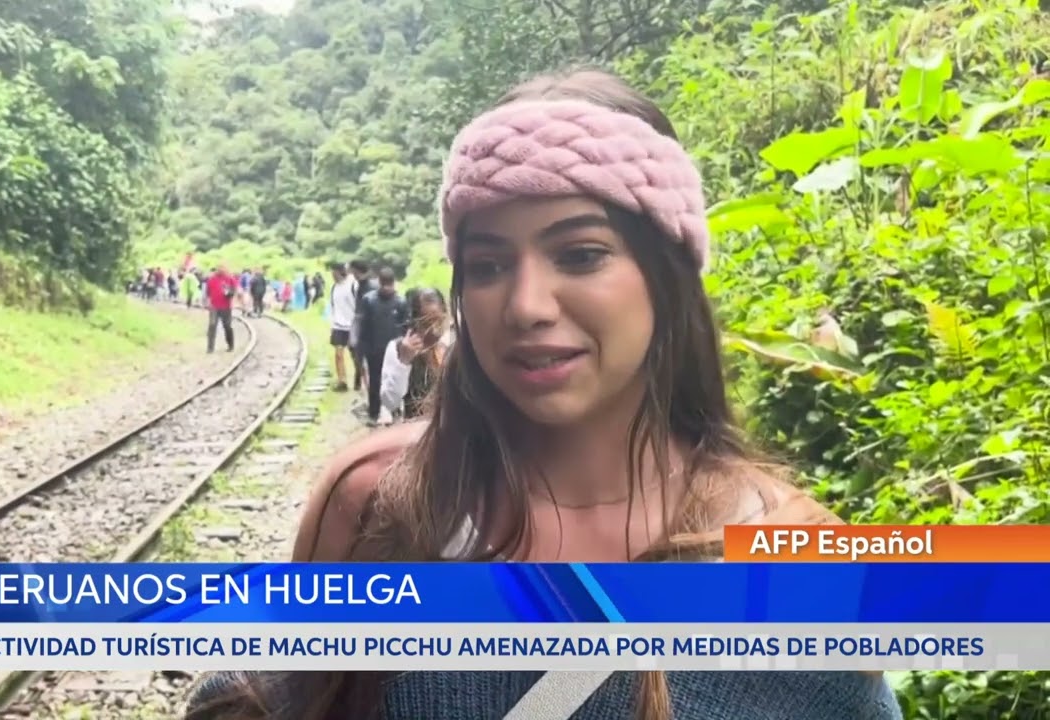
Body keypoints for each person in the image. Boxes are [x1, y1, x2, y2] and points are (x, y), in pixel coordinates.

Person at [184, 68, 901, 719]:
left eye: (580, 254)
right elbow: (270, 694)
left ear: (667, 274)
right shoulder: (384, 507)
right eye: (489, 264)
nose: (525, 304)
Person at [380, 287, 452, 421]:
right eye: (427, 323)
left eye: (439, 321)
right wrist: (404, 361)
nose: (434, 330)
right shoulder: (398, 348)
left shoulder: (453, 345)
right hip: (416, 433)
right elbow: (390, 402)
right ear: (415, 320)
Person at [354, 267, 406, 427]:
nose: (387, 288)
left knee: (395, 381)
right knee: (375, 382)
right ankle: (374, 413)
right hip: (373, 349)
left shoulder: (400, 302)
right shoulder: (369, 300)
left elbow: (405, 327)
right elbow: (363, 327)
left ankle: (395, 411)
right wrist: (360, 350)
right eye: (384, 285)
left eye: (389, 285)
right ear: (379, 283)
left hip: (394, 351)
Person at [347, 259, 376, 392]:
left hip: (367, 325)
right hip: (360, 322)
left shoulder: (370, 285)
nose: (352, 274)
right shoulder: (359, 284)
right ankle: (360, 381)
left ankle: (365, 383)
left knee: (364, 355)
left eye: (353, 272)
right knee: (356, 352)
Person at [327, 262, 357, 391]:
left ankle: (359, 378)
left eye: (334, 272)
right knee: (338, 354)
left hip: (352, 325)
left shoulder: (352, 285)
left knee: (355, 355)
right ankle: (342, 380)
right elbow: (333, 305)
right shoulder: (334, 287)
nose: (333, 275)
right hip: (338, 325)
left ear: (340, 272)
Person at [204, 264, 237, 353]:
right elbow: (207, 292)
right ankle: (210, 347)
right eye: (219, 268)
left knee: (227, 326)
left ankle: (230, 345)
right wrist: (207, 302)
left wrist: (229, 293)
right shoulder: (211, 279)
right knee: (212, 325)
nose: (221, 270)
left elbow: (234, 290)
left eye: (223, 268)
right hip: (214, 306)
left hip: (226, 306)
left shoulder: (230, 279)